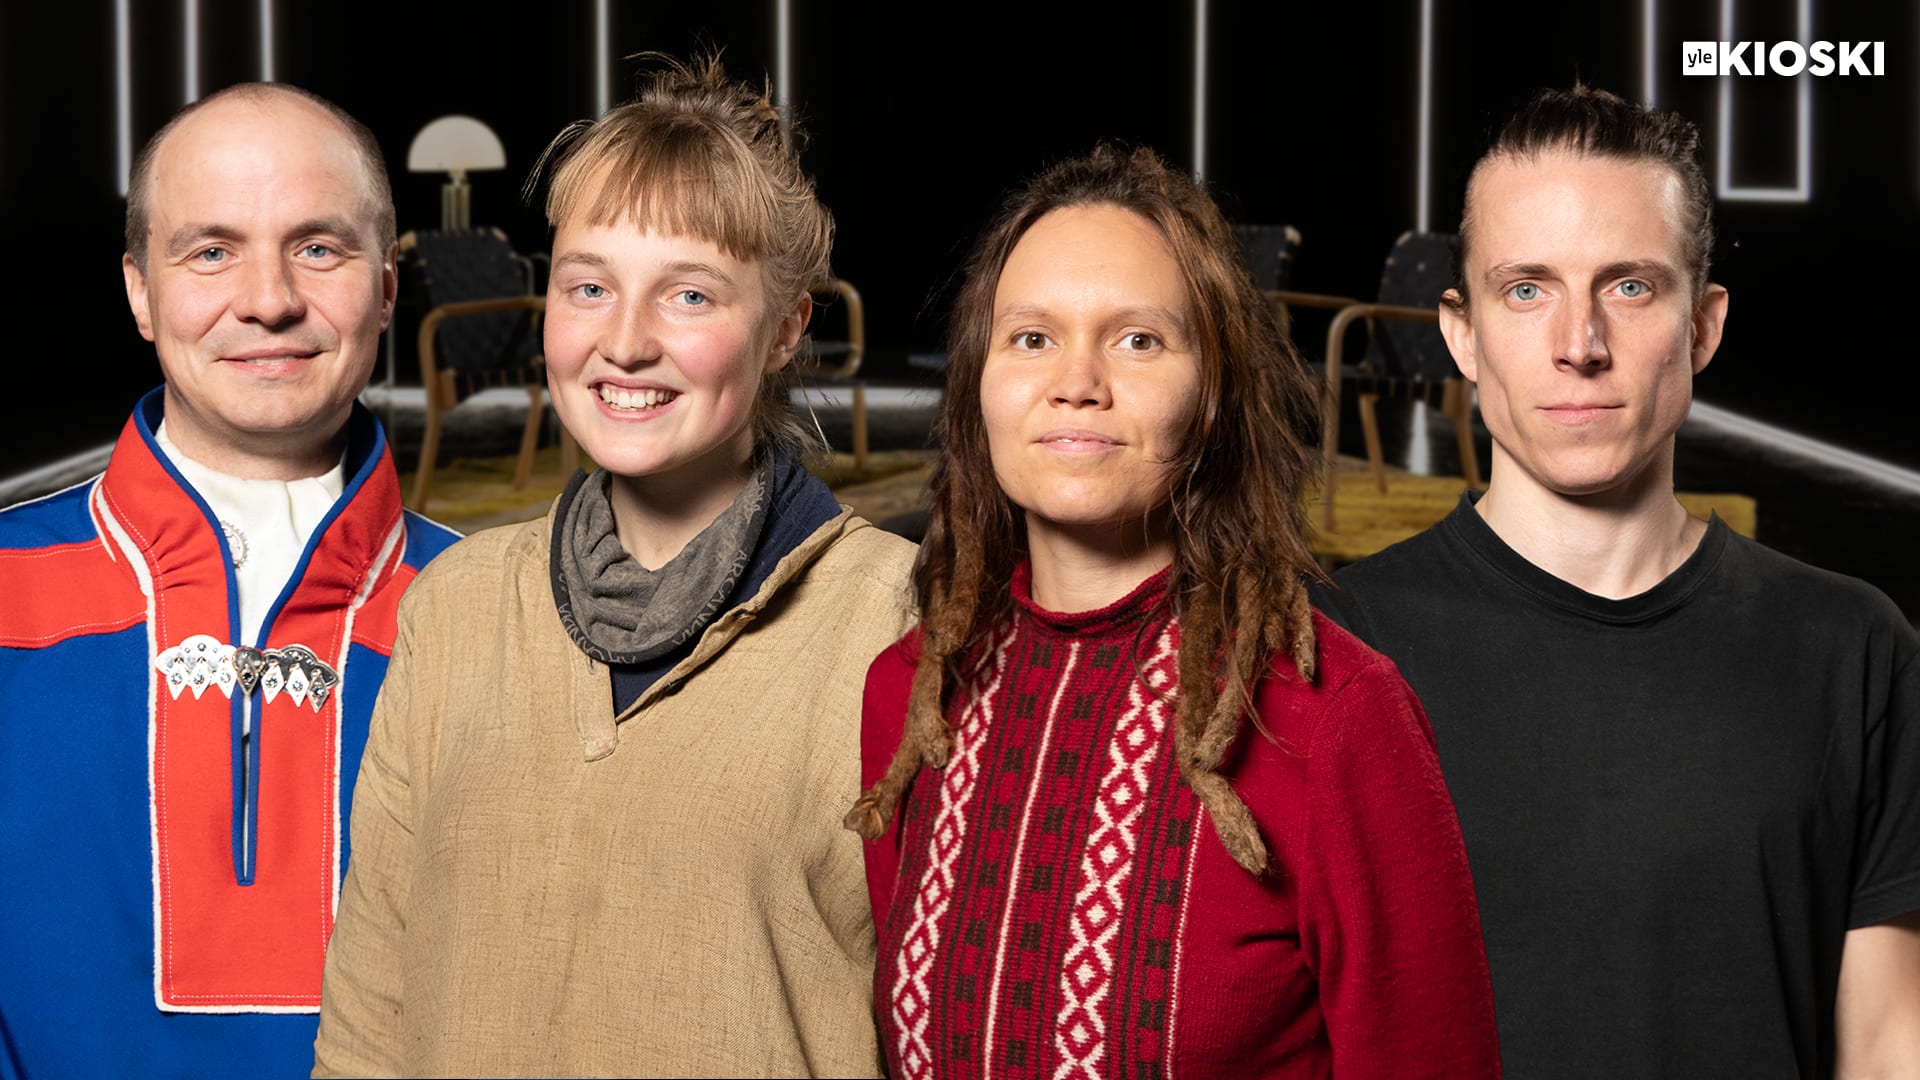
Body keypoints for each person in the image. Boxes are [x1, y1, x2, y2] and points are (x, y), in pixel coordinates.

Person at [312, 57, 917, 1078]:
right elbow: (371, 1006)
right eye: (589, 287)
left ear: (784, 330)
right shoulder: (454, 606)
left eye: (689, 294)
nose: (625, 343)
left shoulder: (897, 621)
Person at [847, 143, 1500, 1078]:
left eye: (1138, 340)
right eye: (1031, 338)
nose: (1078, 381)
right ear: (977, 384)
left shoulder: (1335, 717)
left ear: (1214, 395)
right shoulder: (911, 698)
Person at [1312, 85, 1920, 1077]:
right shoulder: (1333, 647)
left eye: (1630, 286)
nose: (1579, 344)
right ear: (1461, 334)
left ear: (1703, 326)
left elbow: (1889, 1046)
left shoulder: (1852, 651)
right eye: (1527, 289)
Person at [0, 84, 459, 1078]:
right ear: (139, 292)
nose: (268, 299)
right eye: (211, 251)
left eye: (319, 248)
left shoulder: (499, 614)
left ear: (387, 285)